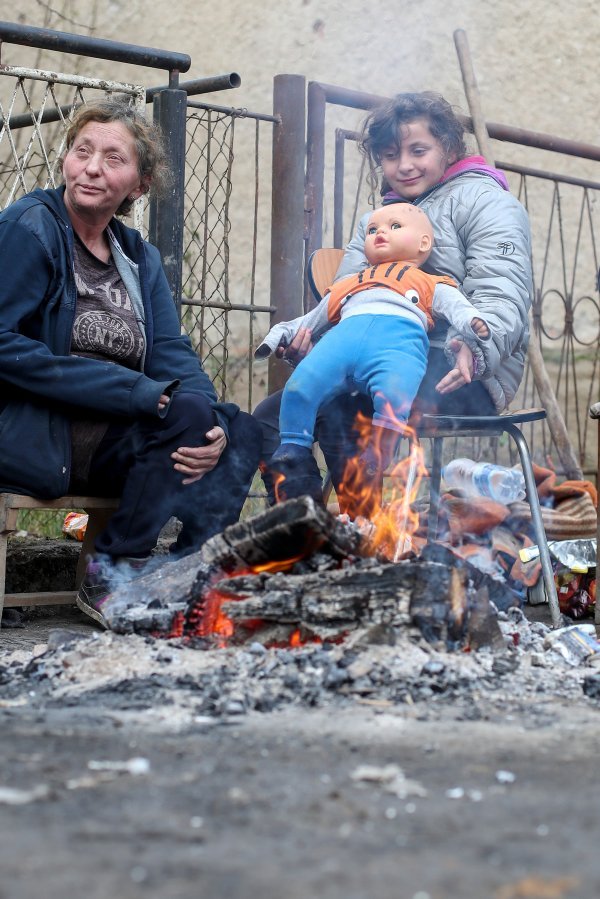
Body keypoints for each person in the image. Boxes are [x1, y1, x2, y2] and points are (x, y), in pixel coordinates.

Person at [0, 98, 261, 627]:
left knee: (236, 430)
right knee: (186, 414)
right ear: (67, 161)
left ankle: (191, 573)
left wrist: (209, 425)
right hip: (38, 432)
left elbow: (170, 350)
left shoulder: (134, 254)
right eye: (82, 151)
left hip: (109, 438)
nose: (92, 167)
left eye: (113, 158)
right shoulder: (32, 228)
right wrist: (136, 393)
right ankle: (113, 574)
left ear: (139, 184)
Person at [253, 91, 533, 504]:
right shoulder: (379, 221)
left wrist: (475, 349)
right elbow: (348, 298)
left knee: (343, 406)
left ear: (450, 148)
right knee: (270, 419)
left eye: (418, 150)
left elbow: (501, 290)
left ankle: (361, 522)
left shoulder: (488, 202)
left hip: (458, 369)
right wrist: (313, 341)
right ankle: (304, 529)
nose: (403, 165)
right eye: (389, 155)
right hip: (374, 358)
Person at [255, 204, 491, 506]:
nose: (380, 232)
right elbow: (313, 318)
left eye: (395, 226)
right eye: (372, 229)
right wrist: (281, 334)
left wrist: (472, 326)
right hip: (342, 339)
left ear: (423, 244)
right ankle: (293, 445)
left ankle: (379, 451)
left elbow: (457, 307)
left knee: (395, 391)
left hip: (397, 343)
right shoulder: (349, 284)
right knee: (301, 385)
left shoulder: (429, 282)